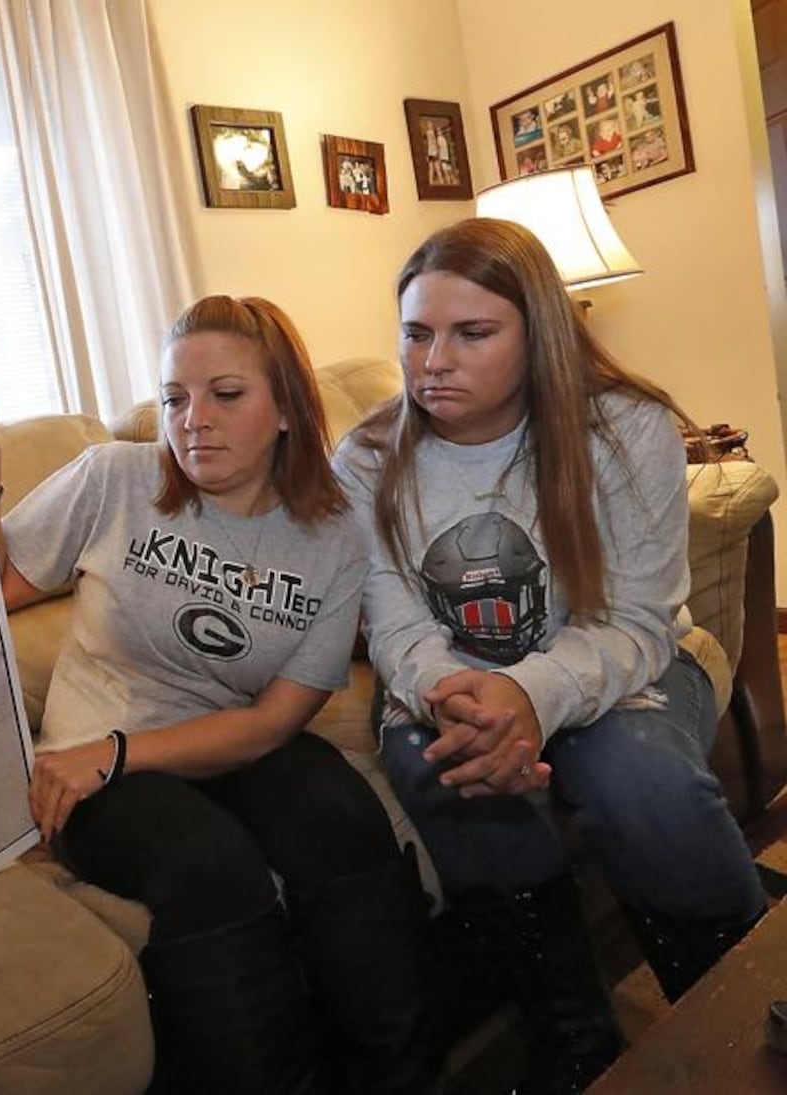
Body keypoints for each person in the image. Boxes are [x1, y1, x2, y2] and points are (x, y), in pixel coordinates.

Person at [0, 296, 434, 1093]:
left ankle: (398, 1077)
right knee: (210, 868)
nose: (192, 420)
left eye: (226, 394)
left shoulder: (337, 534)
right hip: (96, 760)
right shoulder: (115, 479)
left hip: (225, 737)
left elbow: (275, 721)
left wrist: (121, 753)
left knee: (343, 815)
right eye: (175, 398)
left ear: (285, 407)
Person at [333, 219, 767, 1093]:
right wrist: (466, 697)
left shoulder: (624, 427)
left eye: (472, 333)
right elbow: (393, 625)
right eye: (416, 334)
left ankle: (746, 1015)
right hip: (447, 690)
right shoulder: (367, 456)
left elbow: (637, 620)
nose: (433, 361)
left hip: (623, 666)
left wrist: (529, 694)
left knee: (634, 769)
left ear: (541, 333)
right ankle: (571, 1035)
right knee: (436, 767)